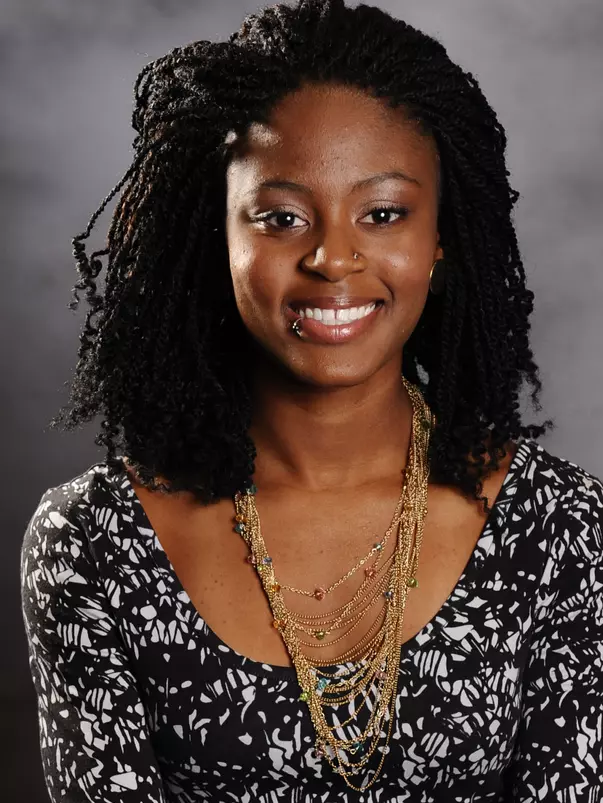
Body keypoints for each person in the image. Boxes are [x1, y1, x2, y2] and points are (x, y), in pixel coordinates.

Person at [20, 0, 603, 800]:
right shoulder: (93, 545)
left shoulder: (558, 526)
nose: (332, 257)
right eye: (281, 216)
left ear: (441, 237)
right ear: (217, 236)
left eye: (384, 212)